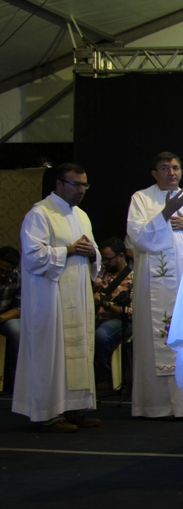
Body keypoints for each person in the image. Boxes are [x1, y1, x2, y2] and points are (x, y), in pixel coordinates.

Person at [12, 163, 100, 431]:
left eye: (85, 185)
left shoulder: (82, 216)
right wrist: (69, 250)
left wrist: (91, 253)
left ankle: (74, 408)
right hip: (50, 296)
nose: (81, 190)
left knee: (79, 349)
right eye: (76, 184)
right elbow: (33, 256)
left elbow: (94, 252)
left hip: (78, 294)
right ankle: (47, 413)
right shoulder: (40, 214)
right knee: (51, 352)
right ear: (59, 183)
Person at [127, 152, 183, 419]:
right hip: (155, 285)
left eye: (175, 167)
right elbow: (137, 238)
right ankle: (156, 405)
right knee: (157, 339)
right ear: (155, 173)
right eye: (165, 168)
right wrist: (165, 212)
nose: (171, 172)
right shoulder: (141, 199)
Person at [93, 237, 133, 388]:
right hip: (97, 317)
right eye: (103, 259)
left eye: (108, 259)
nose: (105, 263)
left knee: (102, 334)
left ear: (121, 256)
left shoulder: (133, 277)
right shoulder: (101, 274)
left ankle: (105, 377)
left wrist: (107, 305)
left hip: (122, 321)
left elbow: (131, 313)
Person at [0, 246, 21, 392]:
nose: (3, 275)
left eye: (7, 272)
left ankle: (13, 381)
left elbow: (20, 308)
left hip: (5, 317)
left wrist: (1, 318)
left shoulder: (19, 277)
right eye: (1, 270)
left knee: (17, 330)